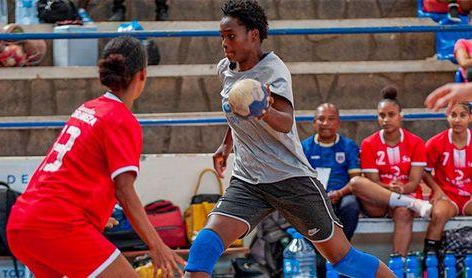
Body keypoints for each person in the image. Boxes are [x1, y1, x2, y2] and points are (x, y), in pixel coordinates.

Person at [184, 1, 394, 277]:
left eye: (231, 36)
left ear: (254, 35)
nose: (225, 43)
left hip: (291, 180)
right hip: (249, 181)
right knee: (205, 243)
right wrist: (227, 143)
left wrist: (263, 110)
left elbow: (284, 121)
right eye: (222, 37)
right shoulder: (225, 69)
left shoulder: (273, 69)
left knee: (344, 260)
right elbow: (235, 111)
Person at [6, 37, 184, 277]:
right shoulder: (121, 119)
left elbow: (67, 170)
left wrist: (95, 208)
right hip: (57, 224)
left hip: (22, 223)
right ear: (142, 74)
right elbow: (124, 191)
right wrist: (157, 244)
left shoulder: (88, 108)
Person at [349, 86, 432, 257]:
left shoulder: (416, 143)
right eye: (382, 115)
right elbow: (372, 182)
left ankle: (397, 266)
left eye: (391, 115)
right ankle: (412, 203)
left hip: (406, 194)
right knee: (356, 183)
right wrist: (389, 188)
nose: (386, 119)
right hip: (378, 201)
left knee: (403, 211)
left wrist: (401, 189)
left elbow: (414, 182)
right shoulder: (369, 143)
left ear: (401, 116)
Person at [301, 103, 361, 241]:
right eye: (321, 119)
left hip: (341, 195)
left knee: (351, 204)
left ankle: (343, 249)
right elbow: (301, 180)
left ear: (338, 122)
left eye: (331, 119)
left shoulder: (348, 146)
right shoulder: (304, 147)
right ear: (314, 122)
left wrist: (339, 193)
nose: (325, 123)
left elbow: (355, 180)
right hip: (314, 196)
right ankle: (319, 256)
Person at [422, 102, 472, 254]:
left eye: (462, 115)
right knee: (438, 214)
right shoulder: (435, 143)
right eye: (453, 115)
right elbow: (424, 172)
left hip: (469, 196)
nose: (457, 120)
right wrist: (437, 190)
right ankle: (429, 263)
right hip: (447, 195)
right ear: (447, 117)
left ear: (470, 118)